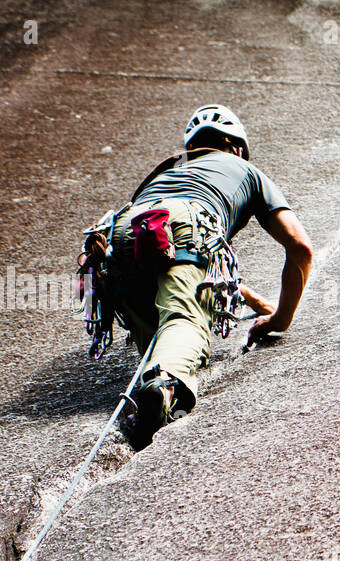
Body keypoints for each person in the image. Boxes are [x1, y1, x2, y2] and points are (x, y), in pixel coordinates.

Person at [102, 104, 313, 445]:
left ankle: (158, 392)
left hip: (123, 230)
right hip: (187, 220)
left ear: (192, 149)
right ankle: (165, 383)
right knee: (185, 323)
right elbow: (300, 247)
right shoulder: (247, 170)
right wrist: (280, 320)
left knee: (161, 339)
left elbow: (185, 267)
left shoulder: (165, 173)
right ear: (238, 148)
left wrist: (254, 300)